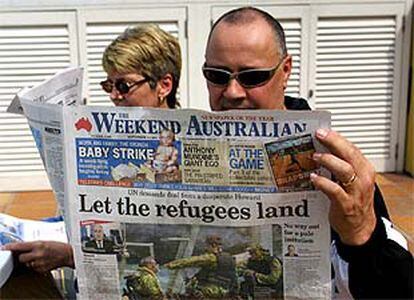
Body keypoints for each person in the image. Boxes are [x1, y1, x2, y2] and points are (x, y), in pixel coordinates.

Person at [202, 6, 413, 299]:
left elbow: (399, 290)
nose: (232, 92)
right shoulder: (201, 144)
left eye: (252, 77)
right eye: (217, 75)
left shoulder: (334, 165)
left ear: (285, 70)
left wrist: (362, 234)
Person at [2, 23, 181, 278]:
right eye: (109, 86)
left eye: (124, 86)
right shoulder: (111, 135)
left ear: (164, 86)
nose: (114, 96)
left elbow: (160, 252)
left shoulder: (179, 149)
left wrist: (70, 256)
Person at [164, 235, 238, 298]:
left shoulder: (211, 258)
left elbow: (191, 261)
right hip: (225, 292)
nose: (206, 248)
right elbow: (235, 276)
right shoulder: (230, 258)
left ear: (213, 245)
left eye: (207, 245)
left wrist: (170, 265)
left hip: (210, 292)